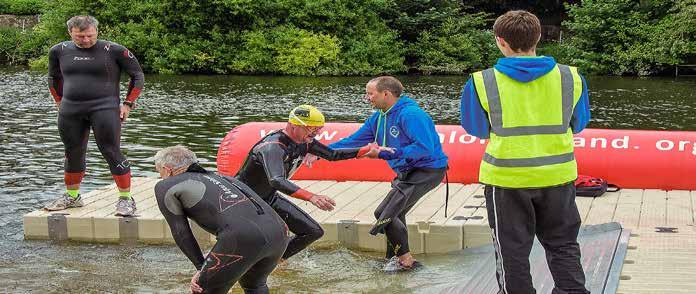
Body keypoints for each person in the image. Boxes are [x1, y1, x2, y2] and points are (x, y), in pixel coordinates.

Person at [459, 10, 591, 294]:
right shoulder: (571, 77)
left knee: (512, 252)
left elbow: (477, 129)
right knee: (564, 243)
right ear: (539, 37)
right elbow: (579, 123)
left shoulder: (482, 81)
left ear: (500, 41)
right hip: (558, 175)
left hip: (507, 180)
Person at [328, 76, 448, 272]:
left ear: (386, 94)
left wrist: (384, 153)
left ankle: (406, 261)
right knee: (396, 214)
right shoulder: (379, 117)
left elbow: (424, 148)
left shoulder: (411, 115)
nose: (367, 98)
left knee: (384, 214)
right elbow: (353, 141)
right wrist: (319, 152)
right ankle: (391, 260)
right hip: (407, 173)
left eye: (370, 94)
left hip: (427, 171)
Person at [235, 104, 381, 261]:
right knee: (260, 240)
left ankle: (274, 262)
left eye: (319, 129)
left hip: (267, 197)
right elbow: (276, 180)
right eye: (312, 128)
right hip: (243, 201)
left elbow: (333, 154)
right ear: (293, 125)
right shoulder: (273, 147)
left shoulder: (306, 142)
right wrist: (311, 196)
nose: (316, 133)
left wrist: (365, 150)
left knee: (312, 231)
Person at [44, 15, 144, 216]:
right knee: (73, 152)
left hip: (105, 108)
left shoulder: (114, 50)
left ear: (96, 32)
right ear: (70, 33)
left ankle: (125, 199)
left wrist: (127, 104)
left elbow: (137, 75)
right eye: (80, 37)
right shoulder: (59, 51)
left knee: (111, 151)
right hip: (71, 110)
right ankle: (73, 197)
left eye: (90, 35)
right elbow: (53, 77)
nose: (86, 40)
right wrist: (58, 100)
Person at [154, 145, 288, 294]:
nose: (160, 176)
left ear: (167, 169)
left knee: (202, 289)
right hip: (280, 231)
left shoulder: (165, 186)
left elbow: (181, 232)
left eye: (159, 172)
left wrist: (201, 267)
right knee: (254, 285)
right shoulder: (223, 178)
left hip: (243, 236)